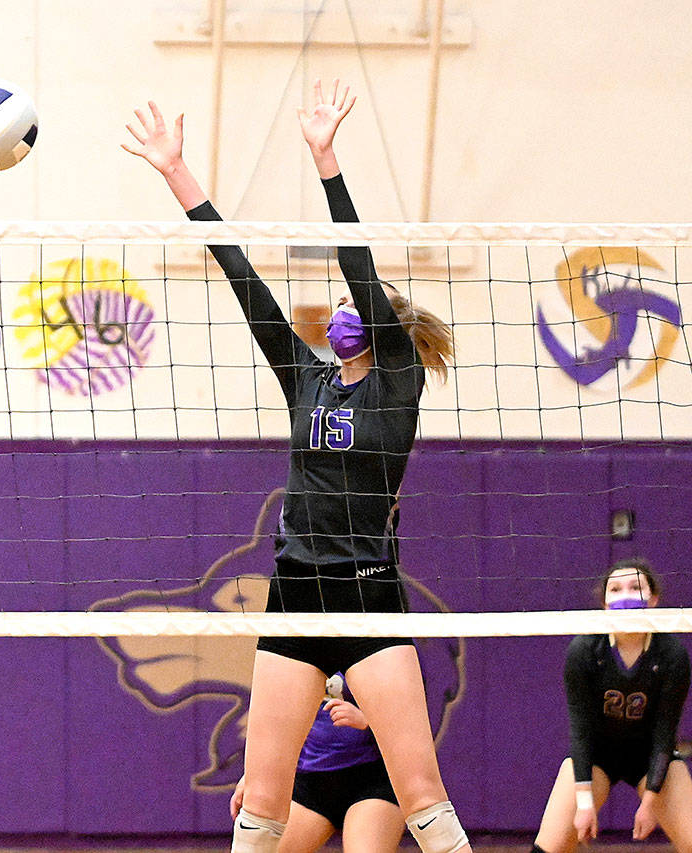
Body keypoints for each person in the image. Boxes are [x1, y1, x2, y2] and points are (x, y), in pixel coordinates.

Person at [122, 80, 465, 853]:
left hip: (367, 593)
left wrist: (326, 159)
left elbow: (358, 260)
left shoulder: (396, 381)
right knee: (263, 805)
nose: (343, 308)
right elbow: (245, 282)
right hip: (293, 589)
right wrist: (179, 175)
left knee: (422, 795)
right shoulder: (306, 378)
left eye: (357, 302)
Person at [530, 558, 692, 853]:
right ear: (605, 604)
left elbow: (665, 733)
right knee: (549, 847)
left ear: (653, 600)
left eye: (636, 588)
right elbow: (580, 732)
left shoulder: (672, 655)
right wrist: (584, 802)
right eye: (615, 589)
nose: (626, 595)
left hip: (651, 756)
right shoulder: (584, 650)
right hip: (597, 757)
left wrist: (650, 803)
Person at [231, 673, 402, 853]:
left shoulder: (388, 652)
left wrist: (368, 721)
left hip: (373, 782)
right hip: (310, 783)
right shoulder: (294, 654)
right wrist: (253, 774)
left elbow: (411, 726)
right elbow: (279, 719)